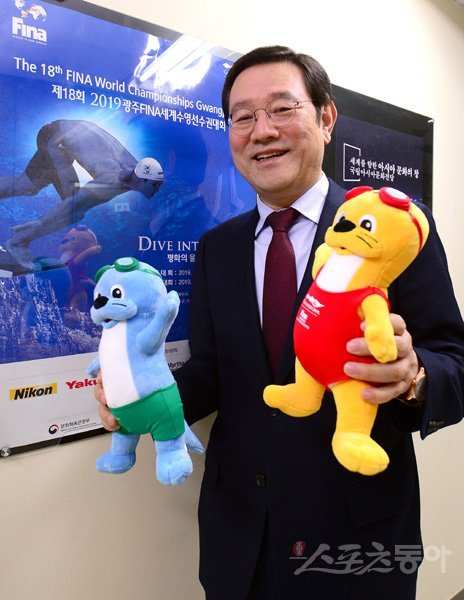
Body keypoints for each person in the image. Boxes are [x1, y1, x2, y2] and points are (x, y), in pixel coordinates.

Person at [95, 46, 464, 599]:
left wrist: (414, 377)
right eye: (242, 117)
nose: (261, 131)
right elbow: (213, 368)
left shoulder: (388, 227)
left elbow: (454, 360)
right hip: (240, 534)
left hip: (356, 535)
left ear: (326, 117)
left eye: (283, 108)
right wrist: (144, 399)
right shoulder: (217, 247)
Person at [0, 119, 164, 269]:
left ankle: (22, 238)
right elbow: (73, 204)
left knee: (27, 185)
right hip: (55, 140)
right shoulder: (113, 179)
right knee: (72, 212)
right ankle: (18, 242)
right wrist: (41, 222)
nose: (158, 189)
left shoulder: (133, 170)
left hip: (59, 132)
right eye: (155, 185)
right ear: (143, 180)